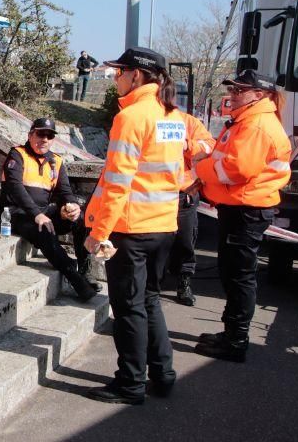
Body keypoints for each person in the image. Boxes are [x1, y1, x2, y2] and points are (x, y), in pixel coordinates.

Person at [83, 47, 185, 405]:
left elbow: (117, 181)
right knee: (150, 302)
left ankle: (130, 384)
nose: (115, 78)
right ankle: (163, 374)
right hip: (163, 226)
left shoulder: (131, 117)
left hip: (132, 228)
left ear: (137, 76)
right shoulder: (171, 115)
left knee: (128, 310)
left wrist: (99, 233)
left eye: (119, 72)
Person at [194, 69, 291, 362]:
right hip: (240, 208)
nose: (232, 94)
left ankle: (236, 341)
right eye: (232, 89)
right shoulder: (247, 121)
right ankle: (231, 333)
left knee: (239, 277)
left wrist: (200, 170)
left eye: (240, 90)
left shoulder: (256, 125)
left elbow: (235, 170)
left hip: (246, 211)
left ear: (259, 95)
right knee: (233, 273)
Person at [0, 117, 99, 301]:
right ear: (30, 135)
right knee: (45, 230)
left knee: (82, 219)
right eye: (40, 134)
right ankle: (75, 279)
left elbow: (65, 190)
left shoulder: (56, 161)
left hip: (43, 211)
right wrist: (36, 214)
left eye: (49, 136)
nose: (44, 139)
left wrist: (72, 205)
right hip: (17, 213)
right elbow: (15, 188)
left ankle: (86, 271)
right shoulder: (17, 154)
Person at [167, 110, 215, 306]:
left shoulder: (188, 121)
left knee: (185, 240)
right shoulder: (146, 118)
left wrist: (188, 145)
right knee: (156, 241)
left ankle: (184, 281)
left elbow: (210, 146)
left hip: (184, 193)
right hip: (153, 194)